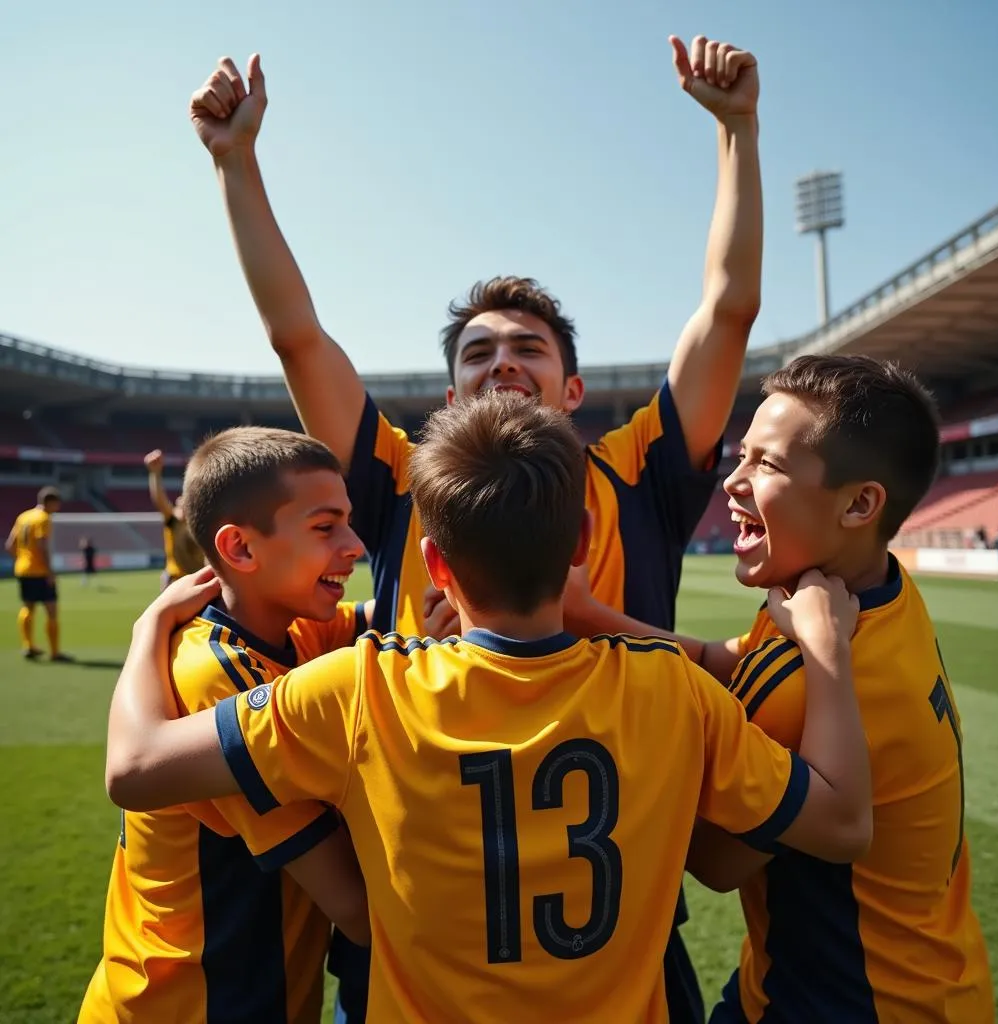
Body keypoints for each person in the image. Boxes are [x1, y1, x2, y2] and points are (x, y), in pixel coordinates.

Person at [188, 30, 764, 1021]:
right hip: (413, 930)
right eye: (477, 352)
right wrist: (236, 165)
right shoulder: (406, 480)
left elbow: (727, 308)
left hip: (617, 931)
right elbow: (298, 336)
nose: (501, 361)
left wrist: (737, 133)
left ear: (573, 388)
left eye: (527, 349)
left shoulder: (639, 472)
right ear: (445, 399)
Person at [106, 392, 873, 1024]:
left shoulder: (357, 688)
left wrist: (149, 632)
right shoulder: (672, 690)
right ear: (578, 543)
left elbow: (136, 768)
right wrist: (829, 656)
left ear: (434, 563)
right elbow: (842, 826)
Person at [567, 355, 996, 1023]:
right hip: (932, 976)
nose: (732, 482)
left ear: (860, 503)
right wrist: (592, 618)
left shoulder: (807, 674)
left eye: (766, 465)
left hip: (846, 1003)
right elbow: (729, 657)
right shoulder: (866, 593)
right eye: (742, 457)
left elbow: (713, 858)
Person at [79, 427, 373, 1024]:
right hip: (191, 1004)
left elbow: (380, 618)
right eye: (326, 527)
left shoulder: (292, 629)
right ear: (240, 549)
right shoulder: (219, 675)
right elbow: (355, 908)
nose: (355, 545)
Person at [5, 485, 71, 661]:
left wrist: (22, 559)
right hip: (39, 571)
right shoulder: (43, 518)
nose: (58, 508)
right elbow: (42, 546)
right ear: (50, 502)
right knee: (51, 610)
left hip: (22, 569)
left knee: (28, 607)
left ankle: (28, 646)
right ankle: (55, 652)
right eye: (57, 504)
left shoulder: (23, 516)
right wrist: (49, 571)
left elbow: (10, 545)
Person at [145, 448, 206, 588]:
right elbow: (159, 500)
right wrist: (155, 473)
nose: (180, 501)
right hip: (176, 581)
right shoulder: (174, 522)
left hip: (198, 582)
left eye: (185, 500)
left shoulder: (201, 525)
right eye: (178, 502)